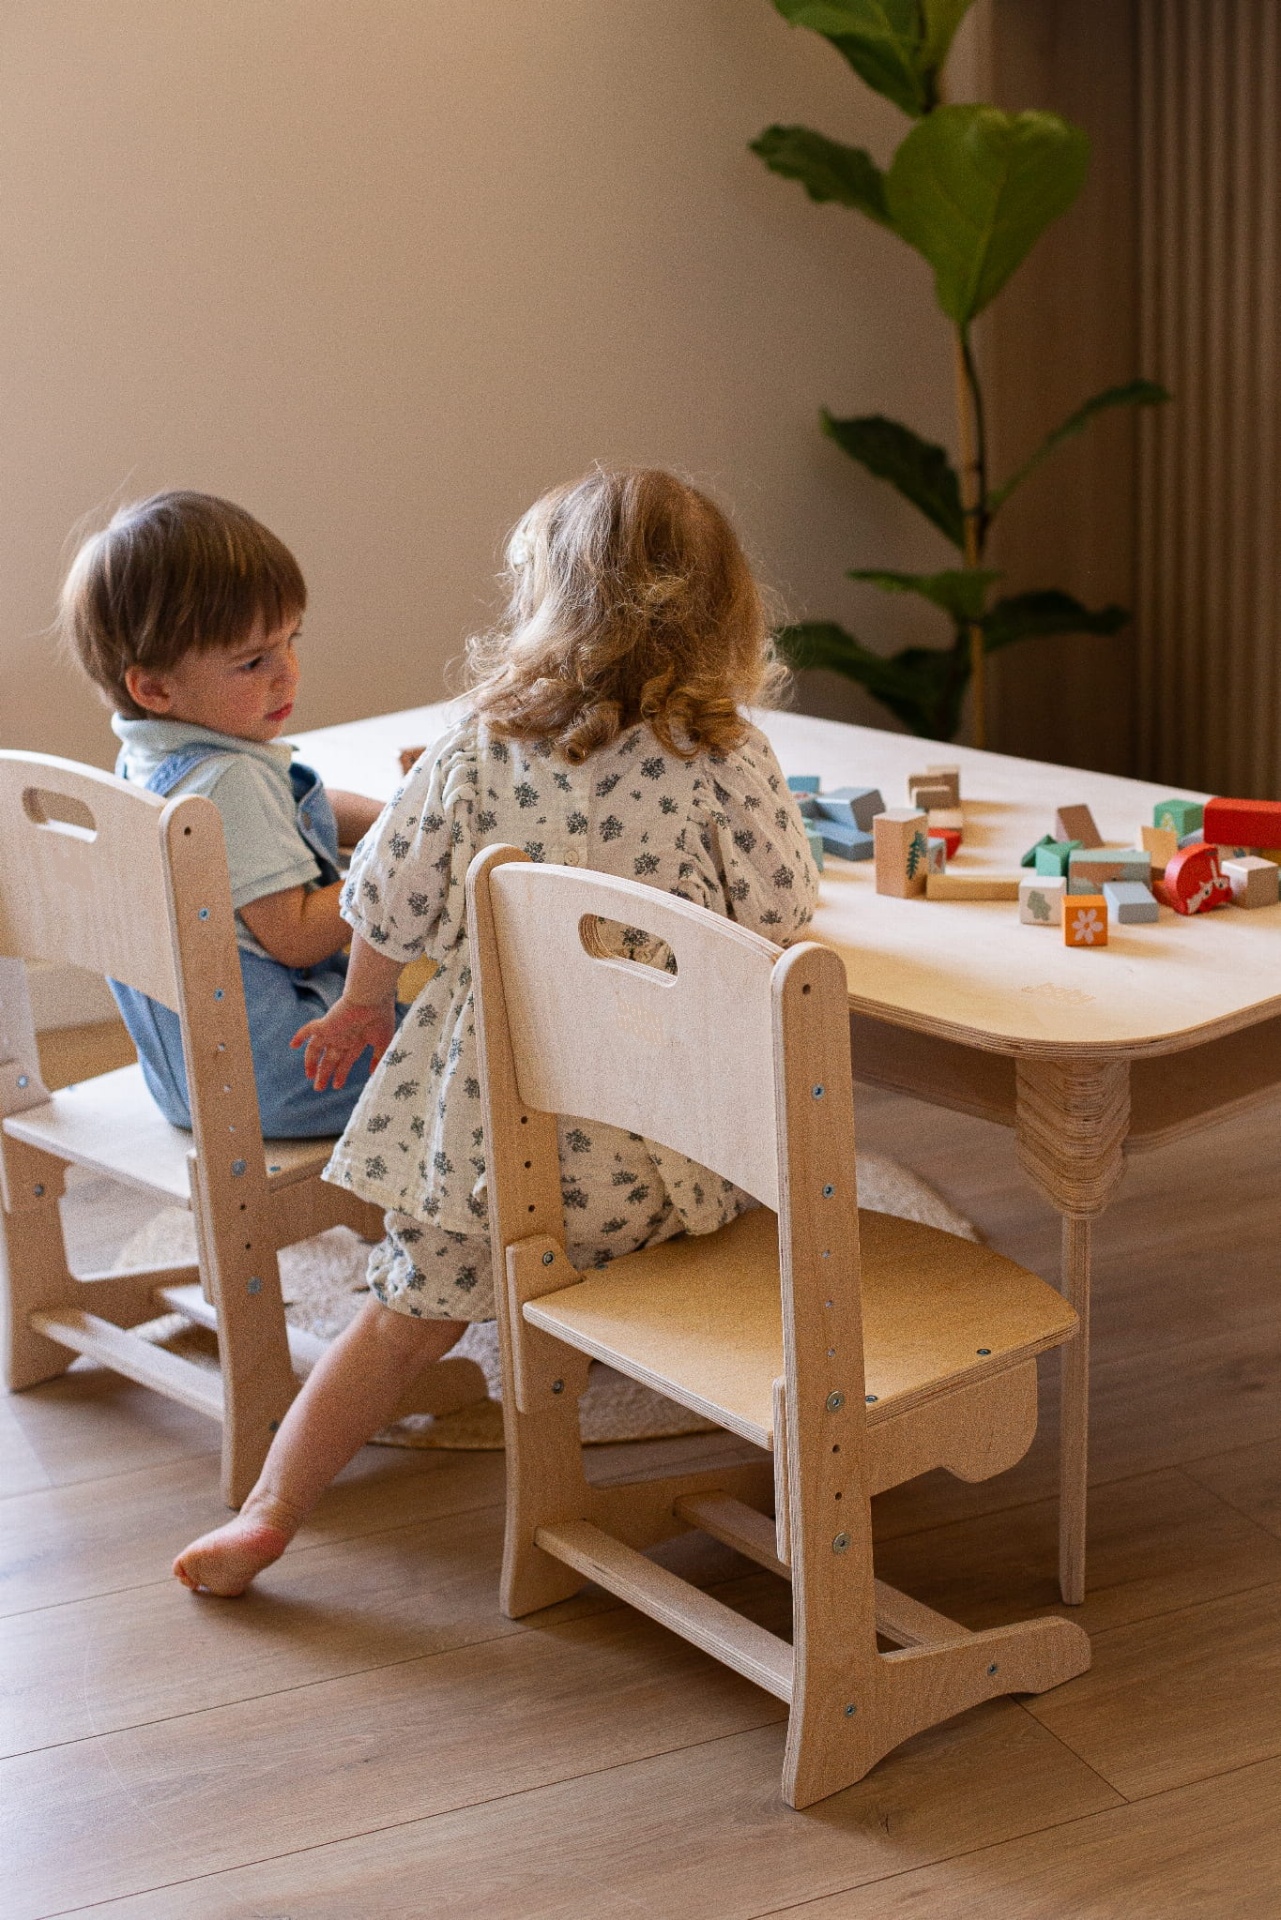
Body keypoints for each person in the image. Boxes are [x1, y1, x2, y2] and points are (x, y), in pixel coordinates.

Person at [173, 466, 820, 1596]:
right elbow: (777, 914)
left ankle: (269, 1514)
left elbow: (384, 903)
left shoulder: (475, 747)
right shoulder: (729, 759)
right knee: (781, 1191)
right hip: (664, 1164)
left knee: (396, 1318)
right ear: (726, 612)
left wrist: (361, 1004)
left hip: (492, 1160)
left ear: (546, 603)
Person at [60, 491, 388, 1136]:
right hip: (289, 1071)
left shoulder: (151, 759)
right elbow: (296, 936)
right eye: (253, 661)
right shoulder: (227, 781)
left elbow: (297, 808)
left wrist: (404, 819)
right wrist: (397, 871)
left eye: (291, 641)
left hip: (192, 1076)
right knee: (471, 1051)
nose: (287, 673)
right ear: (155, 687)